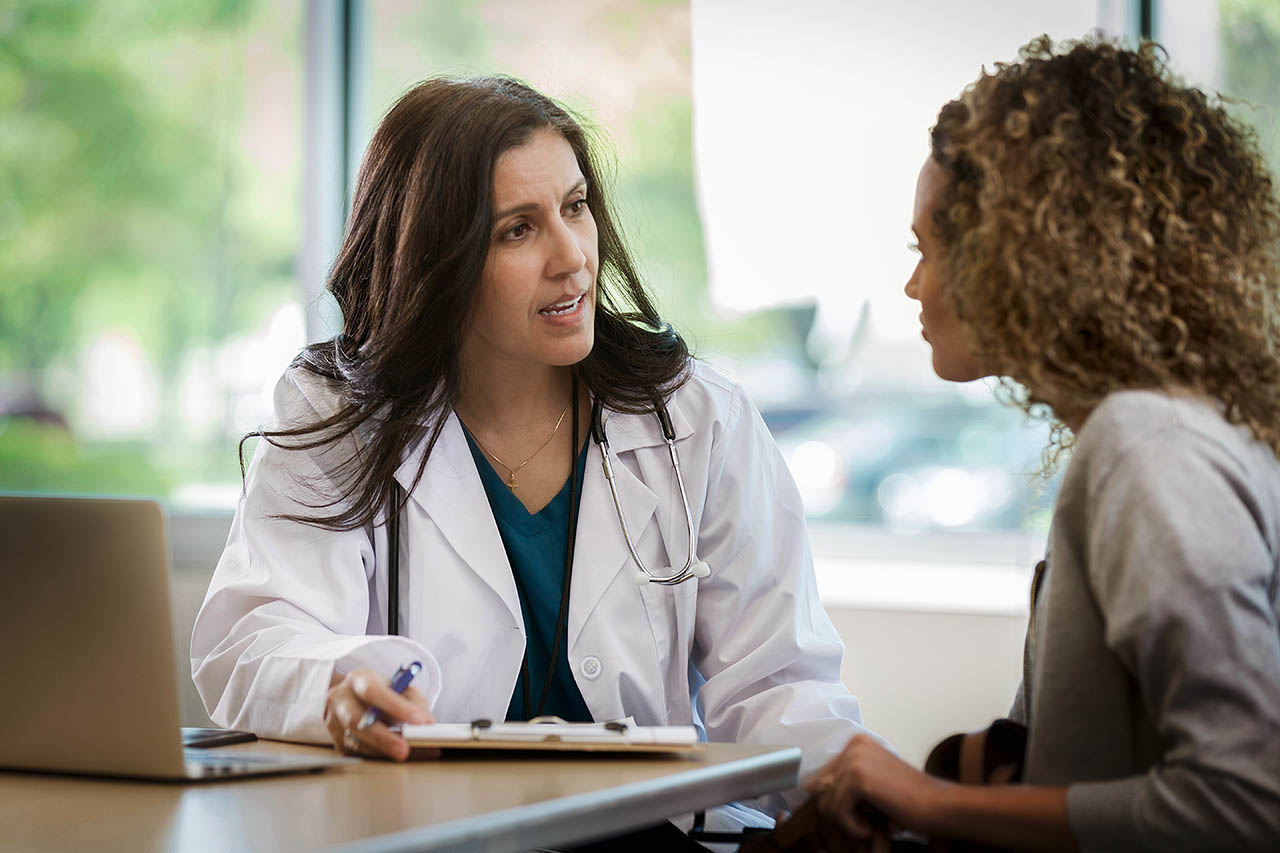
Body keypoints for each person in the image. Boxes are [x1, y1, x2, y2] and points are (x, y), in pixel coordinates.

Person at [190, 75, 870, 834]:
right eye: (517, 229)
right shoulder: (340, 413)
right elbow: (253, 636)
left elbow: (778, 681)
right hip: (431, 836)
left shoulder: (695, 418)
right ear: (433, 261)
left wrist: (851, 792)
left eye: (575, 208)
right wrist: (337, 684)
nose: (572, 257)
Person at [805, 36, 1280, 852]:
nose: (914, 285)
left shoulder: (1146, 445)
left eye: (928, 248)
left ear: (1022, 253)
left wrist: (931, 802)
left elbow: (1245, 803)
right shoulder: (1158, 431)